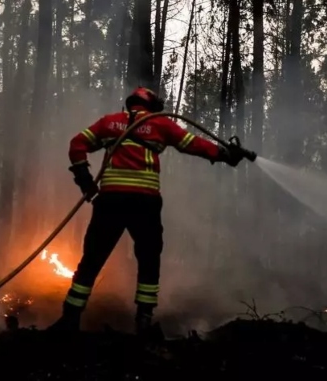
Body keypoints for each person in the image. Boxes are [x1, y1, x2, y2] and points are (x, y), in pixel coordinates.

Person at [49, 86, 247, 335]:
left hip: (110, 203)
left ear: (130, 103)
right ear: (152, 106)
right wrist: (225, 155)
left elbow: (77, 144)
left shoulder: (110, 123)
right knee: (149, 260)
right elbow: (193, 144)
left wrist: (85, 181)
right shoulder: (160, 124)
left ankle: (70, 319)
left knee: (92, 260)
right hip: (145, 205)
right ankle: (143, 322)